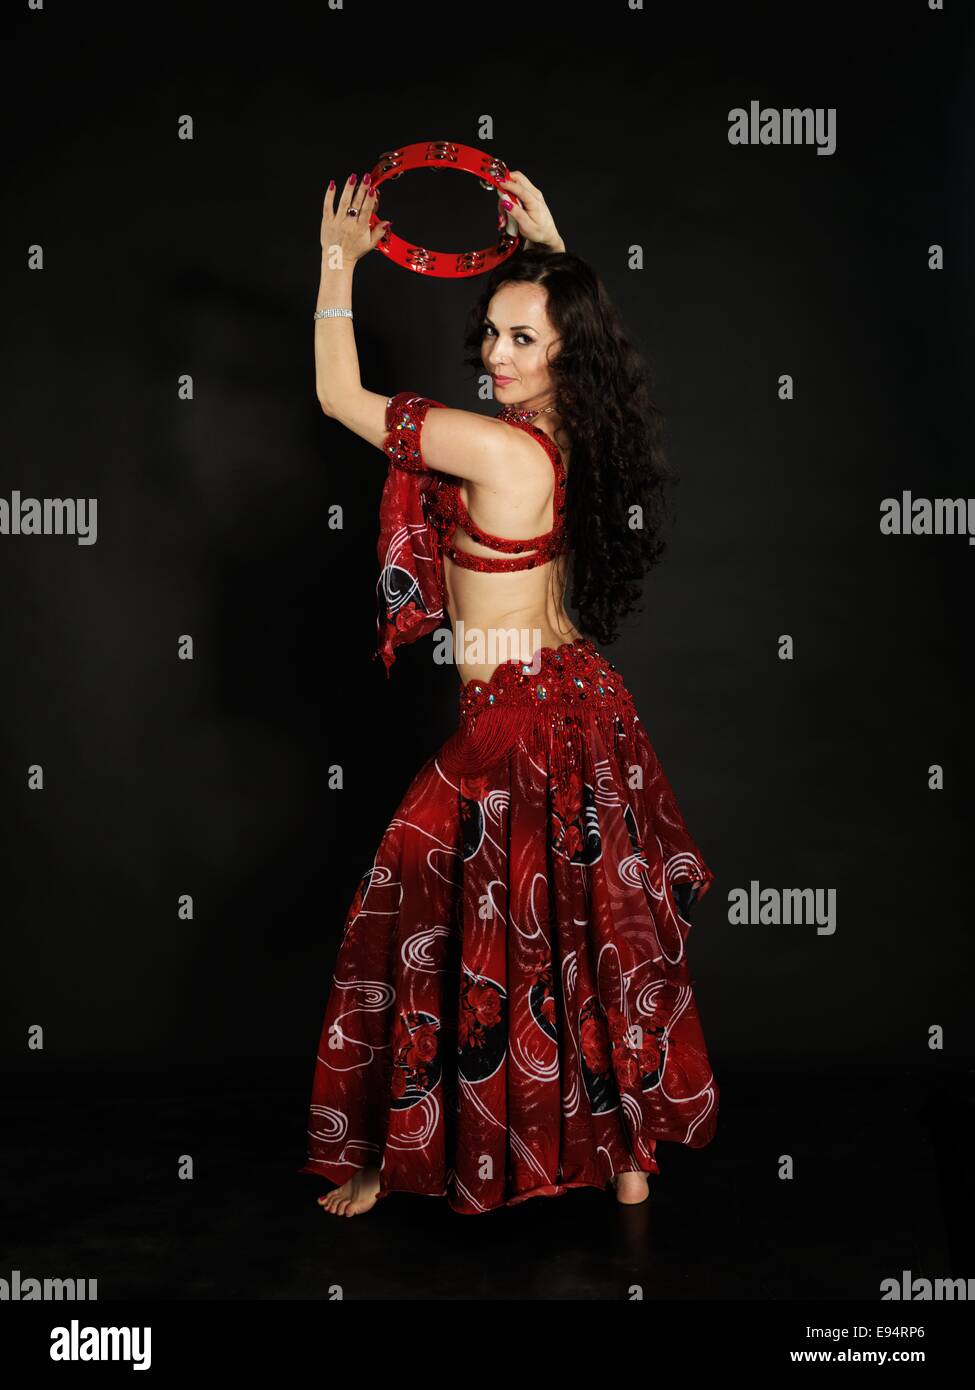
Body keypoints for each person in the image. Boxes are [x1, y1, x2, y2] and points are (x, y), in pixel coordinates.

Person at [299, 169, 719, 1216]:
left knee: (413, 904)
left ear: (562, 353)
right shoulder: (570, 425)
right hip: (581, 700)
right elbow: (576, 335)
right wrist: (553, 247)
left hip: (522, 720)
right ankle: (628, 1163)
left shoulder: (495, 445)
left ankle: (383, 1157)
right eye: (490, 331)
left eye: (522, 339)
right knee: (586, 932)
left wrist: (337, 266)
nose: (494, 354)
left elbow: (337, 399)